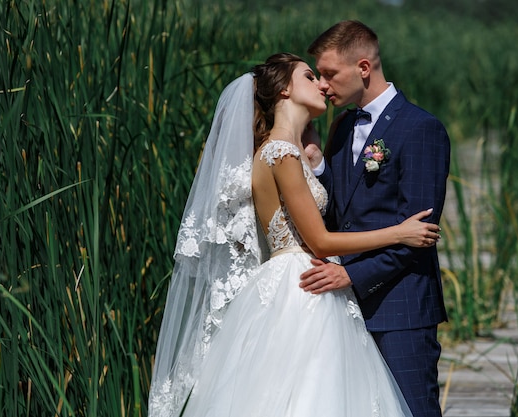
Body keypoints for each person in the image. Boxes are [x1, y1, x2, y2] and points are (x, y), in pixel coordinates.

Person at [148, 53, 442, 417]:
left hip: (299, 280)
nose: (321, 83)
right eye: (309, 76)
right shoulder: (281, 153)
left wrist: (316, 160)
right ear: (285, 90)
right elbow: (320, 241)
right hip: (303, 287)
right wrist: (399, 232)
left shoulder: (288, 151)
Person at [302, 20, 451, 417]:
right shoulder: (341, 125)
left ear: (363, 68)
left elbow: (417, 234)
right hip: (341, 306)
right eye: (318, 74)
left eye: (330, 73)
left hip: (399, 306)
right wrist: (318, 168)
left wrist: (352, 275)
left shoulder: (421, 128)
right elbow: (342, 212)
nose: (322, 84)